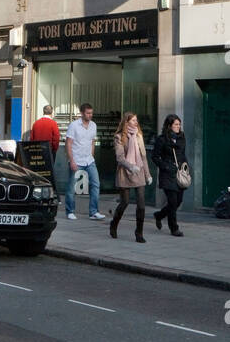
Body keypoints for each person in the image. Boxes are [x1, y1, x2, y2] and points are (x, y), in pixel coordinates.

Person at [110, 112, 152, 242]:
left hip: (138, 171)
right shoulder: (119, 137)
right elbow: (120, 158)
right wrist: (130, 167)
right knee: (125, 202)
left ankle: (139, 233)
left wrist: (148, 174)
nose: (136, 122)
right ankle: (114, 224)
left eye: (136, 120)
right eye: (133, 120)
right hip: (125, 172)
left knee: (141, 204)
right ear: (126, 122)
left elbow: (143, 156)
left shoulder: (139, 136)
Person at [65, 103, 105, 221]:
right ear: (82, 113)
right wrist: (71, 160)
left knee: (95, 184)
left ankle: (93, 212)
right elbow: (68, 143)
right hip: (76, 159)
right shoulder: (74, 125)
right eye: (88, 113)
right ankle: (70, 211)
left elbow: (92, 142)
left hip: (89, 160)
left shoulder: (93, 125)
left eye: (91, 113)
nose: (90, 115)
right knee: (72, 187)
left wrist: (92, 156)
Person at [152, 113, 188, 237]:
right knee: (172, 202)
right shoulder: (161, 139)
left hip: (179, 174)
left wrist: (186, 168)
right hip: (167, 174)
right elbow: (155, 157)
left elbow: (183, 155)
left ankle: (159, 215)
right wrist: (165, 166)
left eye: (179, 124)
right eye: (176, 124)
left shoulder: (181, 138)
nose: (178, 127)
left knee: (178, 201)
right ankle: (174, 228)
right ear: (169, 125)